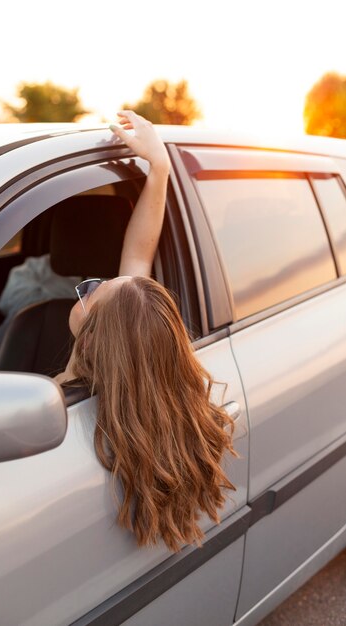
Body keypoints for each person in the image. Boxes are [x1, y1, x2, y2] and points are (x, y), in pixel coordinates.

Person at [55, 111, 237, 553]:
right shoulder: (129, 369)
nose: (88, 286)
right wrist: (159, 169)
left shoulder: (60, 399)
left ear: (98, 339)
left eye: (91, 291)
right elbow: (138, 257)